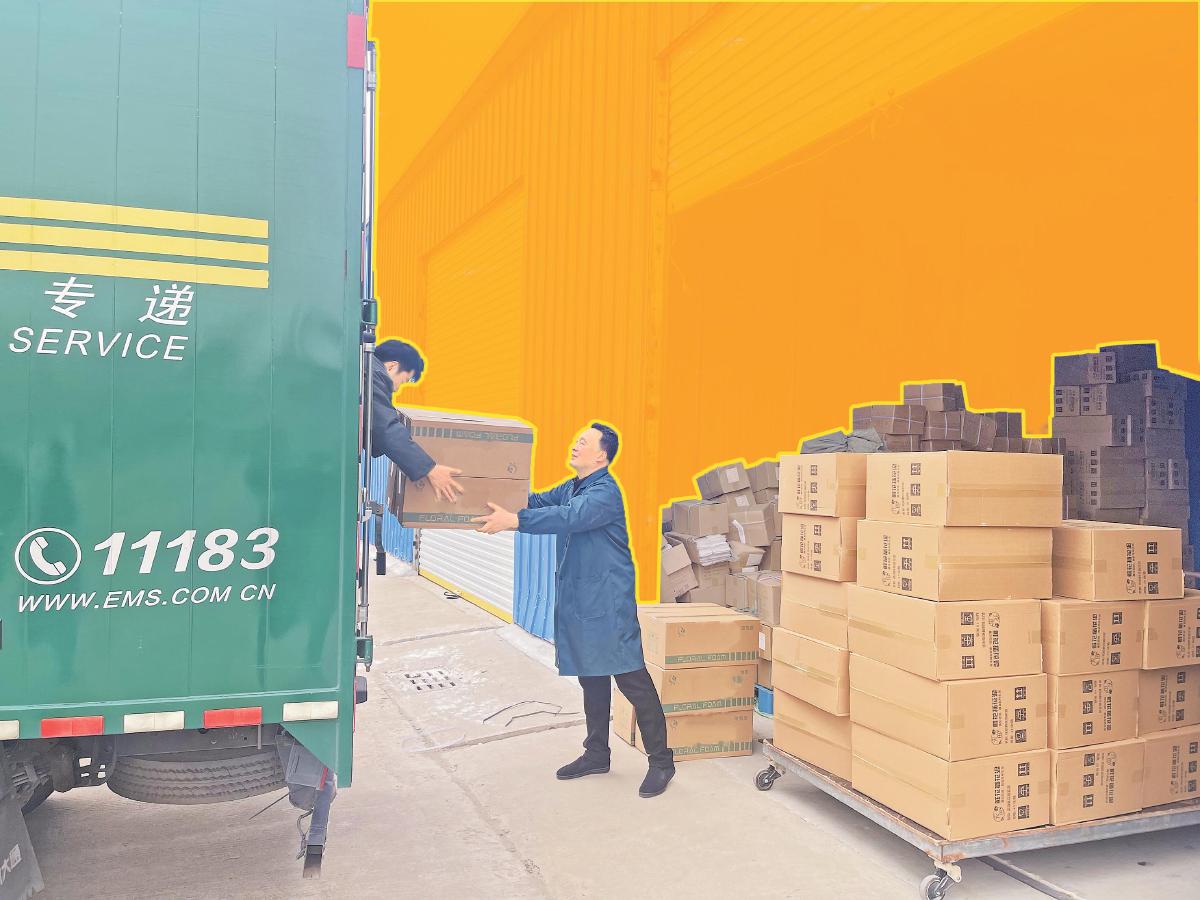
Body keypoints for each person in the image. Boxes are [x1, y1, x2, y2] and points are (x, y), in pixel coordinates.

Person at [473, 423, 675, 798]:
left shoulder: (604, 493)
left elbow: (569, 518)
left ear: (601, 456)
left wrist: (514, 521)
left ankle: (662, 762)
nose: (574, 445)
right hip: (584, 600)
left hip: (608, 602)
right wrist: (491, 493)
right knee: (591, 676)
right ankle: (596, 753)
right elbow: (538, 502)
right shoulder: (573, 487)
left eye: (583, 442)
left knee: (631, 679)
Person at [370, 339, 463, 502]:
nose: (396, 389)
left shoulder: (363, 370)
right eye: (403, 381)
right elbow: (385, 430)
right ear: (392, 366)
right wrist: (430, 469)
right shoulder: (372, 376)